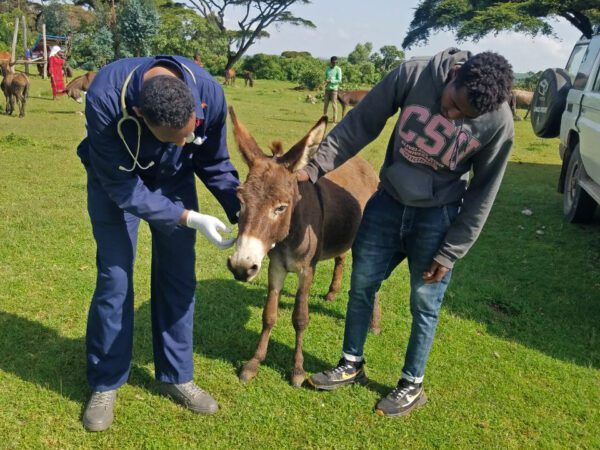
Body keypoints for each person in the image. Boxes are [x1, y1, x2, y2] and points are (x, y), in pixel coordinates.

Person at [299, 48, 514, 417]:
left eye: (465, 115)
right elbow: (361, 122)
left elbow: (483, 192)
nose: (452, 114)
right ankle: (351, 363)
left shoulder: (499, 123)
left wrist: (452, 251)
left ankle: (412, 384)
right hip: (388, 202)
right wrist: (316, 166)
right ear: (454, 73)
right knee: (362, 284)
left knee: (424, 302)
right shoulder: (414, 75)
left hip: (438, 217)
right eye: (452, 103)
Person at [76, 55, 240, 431]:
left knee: (179, 275)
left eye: (190, 132)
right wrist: (189, 218)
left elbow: (213, 162)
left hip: (174, 178)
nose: (188, 141)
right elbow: (123, 189)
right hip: (115, 181)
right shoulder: (104, 97)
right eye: (176, 137)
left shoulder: (209, 95)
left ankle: (177, 375)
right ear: (138, 113)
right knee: (114, 279)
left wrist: (244, 215)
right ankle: (106, 381)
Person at [323, 56, 342, 123]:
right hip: (327, 89)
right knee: (325, 104)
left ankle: (334, 119)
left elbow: (339, 80)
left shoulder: (338, 69)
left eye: (336, 62)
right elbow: (325, 77)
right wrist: (325, 81)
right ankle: (324, 118)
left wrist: (331, 81)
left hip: (334, 89)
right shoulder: (327, 69)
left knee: (334, 105)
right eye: (333, 62)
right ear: (331, 62)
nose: (334, 64)